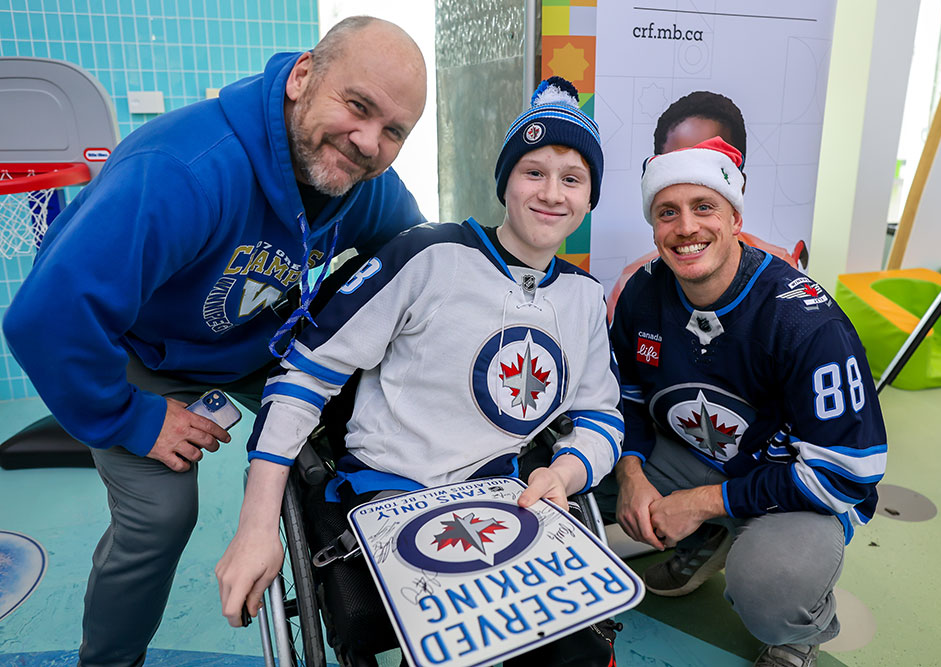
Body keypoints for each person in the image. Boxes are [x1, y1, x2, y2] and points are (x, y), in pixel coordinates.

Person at [2, 16, 427, 667]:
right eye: (358, 105)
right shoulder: (182, 171)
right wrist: (132, 416)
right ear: (302, 76)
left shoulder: (362, 182)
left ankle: (368, 608)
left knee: (376, 436)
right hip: (143, 357)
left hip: (267, 344)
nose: (369, 141)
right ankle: (108, 661)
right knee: (161, 514)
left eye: (393, 130)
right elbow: (45, 316)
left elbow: (420, 257)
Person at [216, 76, 624, 665]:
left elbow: (600, 417)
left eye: (572, 178)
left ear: (590, 199)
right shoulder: (429, 256)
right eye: (534, 171)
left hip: (505, 495)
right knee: (457, 646)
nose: (552, 193)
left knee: (581, 654)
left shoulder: (585, 299)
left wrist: (565, 471)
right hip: (393, 496)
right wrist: (256, 525)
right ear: (505, 179)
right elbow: (305, 375)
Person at [596, 136, 887, 667]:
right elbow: (627, 400)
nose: (686, 228)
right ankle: (707, 538)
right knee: (573, 463)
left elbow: (849, 473)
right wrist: (633, 473)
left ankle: (798, 632)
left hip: (790, 486)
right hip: (690, 458)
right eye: (667, 212)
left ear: (734, 218)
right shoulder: (642, 291)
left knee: (773, 586)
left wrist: (704, 502)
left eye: (703, 206)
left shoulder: (805, 321)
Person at [607, 91, 808, 317]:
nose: (687, 227)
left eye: (712, 165)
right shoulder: (633, 285)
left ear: (739, 188)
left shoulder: (783, 281)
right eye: (676, 168)